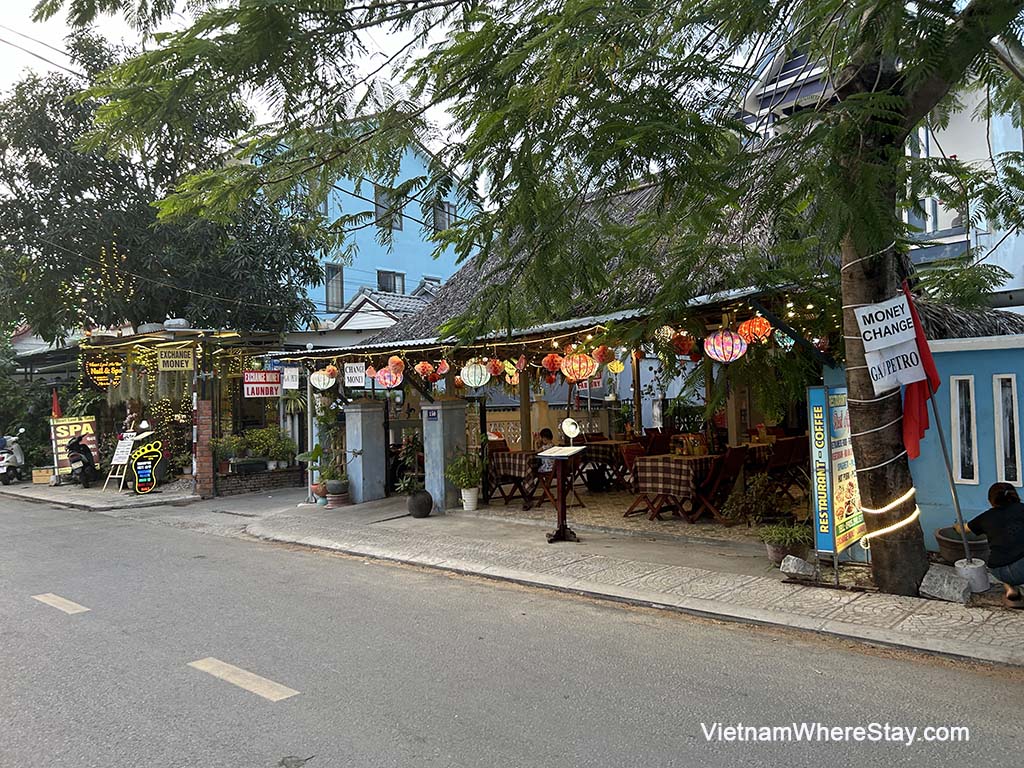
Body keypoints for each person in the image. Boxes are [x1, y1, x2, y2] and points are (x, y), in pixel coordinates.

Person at [967, 483, 1024, 607]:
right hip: (1020, 568)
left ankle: (1010, 590)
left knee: (1006, 556)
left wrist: (956, 527)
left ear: (991, 500)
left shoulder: (986, 517)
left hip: (998, 570)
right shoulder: (1022, 509)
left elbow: (964, 528)